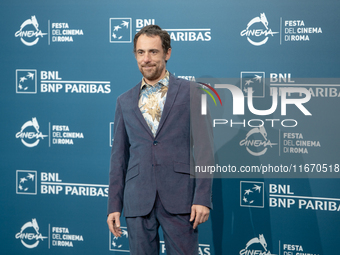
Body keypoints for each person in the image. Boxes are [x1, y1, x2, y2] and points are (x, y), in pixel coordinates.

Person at [107, 25, 214, 255]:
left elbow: (205, 149)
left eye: (153, 52)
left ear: (167, 53)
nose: (146, 59)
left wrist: (202, 198)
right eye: (141, 52)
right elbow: (119, 157)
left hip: (181, 199)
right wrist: (114, 206)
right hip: (137, 201)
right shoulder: (124, 101)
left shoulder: (192, 92)